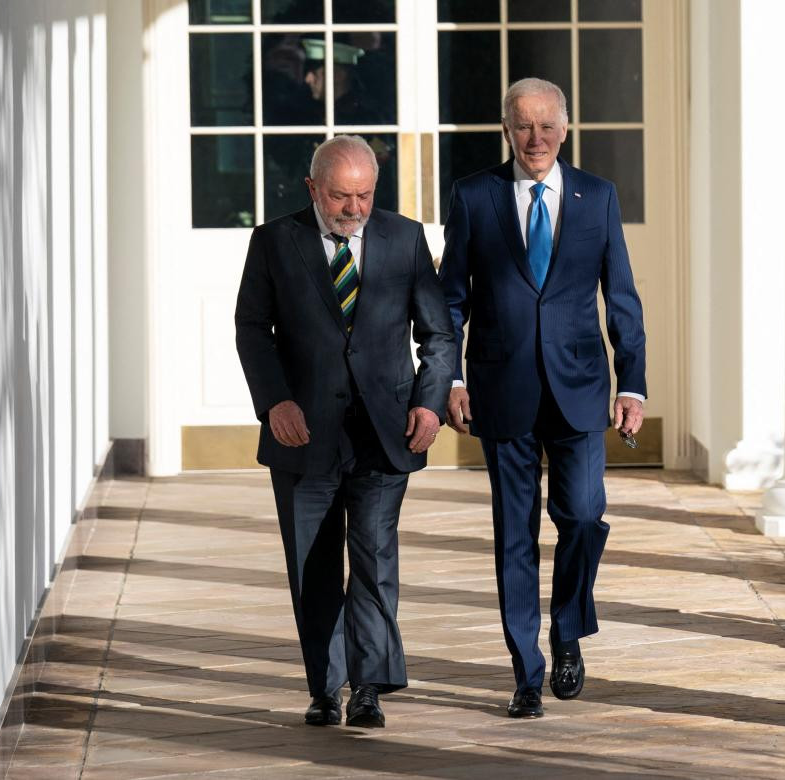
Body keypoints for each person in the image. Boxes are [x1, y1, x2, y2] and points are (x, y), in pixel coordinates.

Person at [438, 78, 647, 718]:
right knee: (515, 538)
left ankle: (566, 630)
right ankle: (526, 673)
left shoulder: (597, 197)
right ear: (507, 129)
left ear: (565, 128)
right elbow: (450, 299)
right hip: (502, 390)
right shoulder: (475, 196)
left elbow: (622, 297)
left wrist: (632, 382)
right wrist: (449, 378)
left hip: (580, 390)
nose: (536, 139)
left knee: (583, 516)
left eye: (546, 126)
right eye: (523, 126)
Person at [235, 135, 455, 728]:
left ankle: (369, 688)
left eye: (364, 195)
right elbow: (252, 328)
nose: (354, 209)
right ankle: (324, 687)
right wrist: (274, 401)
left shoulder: (405, 238)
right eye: (339, 197)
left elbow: (438, 334)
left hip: (385, 430)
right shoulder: (275, 242)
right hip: (302, 434)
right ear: (312, 189)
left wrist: (431, 404)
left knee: (375, 557)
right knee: (313, 565)